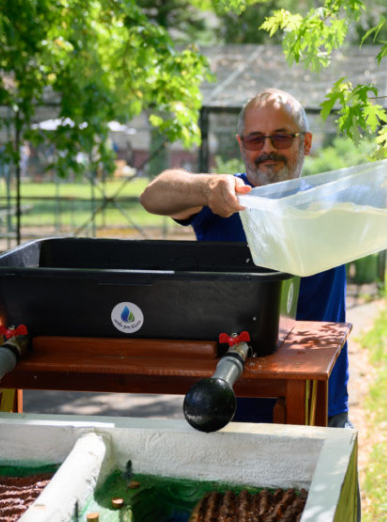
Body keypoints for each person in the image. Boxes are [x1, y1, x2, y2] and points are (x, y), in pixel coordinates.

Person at [140, 88, 353, 428]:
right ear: (241, 145)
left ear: (306, 142)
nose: (267, 148)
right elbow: (153, 195)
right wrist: (206, 189)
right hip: (228, 405)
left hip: (318, 404)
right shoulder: (223, 198)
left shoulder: (332, 203)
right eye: (255, 139)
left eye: (281, 137)